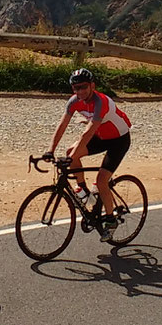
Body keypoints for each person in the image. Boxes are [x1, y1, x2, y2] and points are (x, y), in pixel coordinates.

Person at [49, 67, 132, 231]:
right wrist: (50, 150)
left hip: (119, 140)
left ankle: (110, 219)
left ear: (92, 86)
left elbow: (87, 134)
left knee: (102, 181)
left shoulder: (101, 102)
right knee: (69, 153)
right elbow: (62, 124)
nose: (80, 91)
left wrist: (71, 158)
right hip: (101, 137)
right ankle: (84, 190)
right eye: (76, 88)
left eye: (83, 87)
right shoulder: (74, 101)